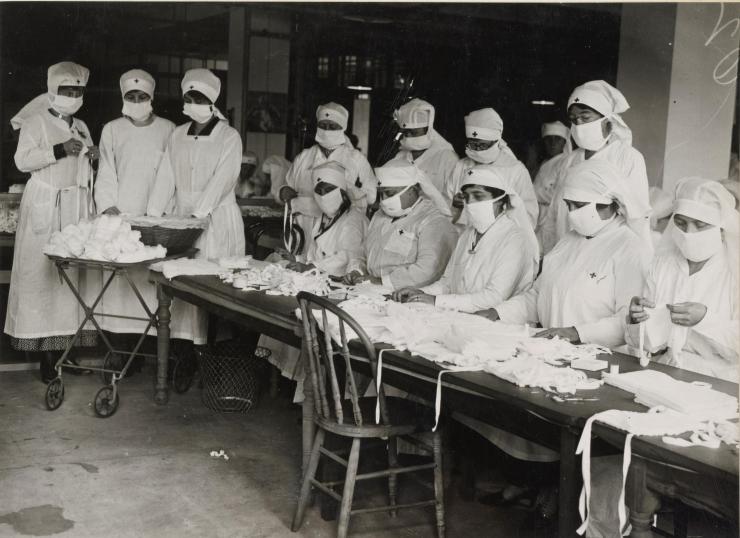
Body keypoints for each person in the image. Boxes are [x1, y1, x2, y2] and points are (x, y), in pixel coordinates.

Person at [471, 160, 650, 519]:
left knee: (571, 442)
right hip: (553, 354)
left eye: (579, 206)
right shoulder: (568, 242)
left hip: (598, 364)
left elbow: (627, 321)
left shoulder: (629, 248)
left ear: (610, 205)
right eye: (569, 206)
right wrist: (499, 313)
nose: (572, 214)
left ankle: (565, 504)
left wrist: (576, 333)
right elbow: (537, 295)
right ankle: (541, 488)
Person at [5, 61, 99, 382]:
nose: (73, 96)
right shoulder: (36, 122)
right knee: (42, 280)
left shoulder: (83, 125)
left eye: (78, 91)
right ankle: (47, 359)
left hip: (74, 208)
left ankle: (67, 355)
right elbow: (22, 160)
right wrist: (58, 149)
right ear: (53, 91)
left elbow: (83, 166)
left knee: (71, 286)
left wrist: (93, 158)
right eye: (67, 91)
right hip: (46, 205)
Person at [147, 68, 245, 343]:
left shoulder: (228, 136)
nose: (193, 104)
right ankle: (185, 348)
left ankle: (211, 348)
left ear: (213, 102)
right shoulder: (177, 134)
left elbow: (224, 179)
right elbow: (166, 175)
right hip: (182, 218)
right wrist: (154, 216)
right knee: (181, 284)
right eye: (189, 98)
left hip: (215, 217)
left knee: (211, 284)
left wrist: (198, 215)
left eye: (199, 99)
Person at [627, 177, 738, 381]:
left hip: (718, 382)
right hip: (663, 373)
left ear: (721, 229)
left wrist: (705, 319)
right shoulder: (663, 266)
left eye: (700, 225)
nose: (689, 233)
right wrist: (637, 321)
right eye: (681, 223)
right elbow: (645, 344)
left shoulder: (735, 271)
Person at [94, 69, 175, 341]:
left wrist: (164, 208)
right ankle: (120, 346)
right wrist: (108, 206)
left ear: (152, 97)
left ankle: (149, 346)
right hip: (121, 213)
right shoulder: (112, 129)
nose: (137, 100)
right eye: (131, 96)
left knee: (150, 283)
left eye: (142, 96)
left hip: (155, 214)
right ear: (123, 97)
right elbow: (105, 169)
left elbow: (171, 173)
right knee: (121, 284)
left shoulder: (168, 129)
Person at [392, 167, 538, 312]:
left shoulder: (516, 239)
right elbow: (447, 283)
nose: (471, 203)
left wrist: (436, 301)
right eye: (467, 197)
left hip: (494, 325)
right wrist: (421, 293)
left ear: (500, 200)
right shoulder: (468, 234)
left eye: (478, 196)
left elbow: (494, 297)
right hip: (459, 316)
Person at [539, 80, 651, 255]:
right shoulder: (569, 161)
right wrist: (548, 253)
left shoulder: (627, 158)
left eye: (585, 117)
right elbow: (555, 212)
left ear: (607, 121)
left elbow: (637, 216)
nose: (579, 125)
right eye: (574, 120)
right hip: (565, 249)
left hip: (604, 254)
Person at [343, 159, 457, 289]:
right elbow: (364, 253)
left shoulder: (434, 221)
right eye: (381, 194)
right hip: (370, 290)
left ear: (413, 190)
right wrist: (356, 270)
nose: (384, 200)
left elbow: (428, 270)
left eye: (390, 193)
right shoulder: (379, 215)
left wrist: (382, 281)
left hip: (408, 296)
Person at [279, 102, 375, 251]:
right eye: (323, 125)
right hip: (303, 225)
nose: (326, 130)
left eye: (332, 126)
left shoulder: (356, 159)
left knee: (331, 265)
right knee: (299, 266)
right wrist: (284, 192)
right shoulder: (304, 157)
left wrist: (346, 193)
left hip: (339, 229)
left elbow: (371, 195)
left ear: (342, 128)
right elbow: (287, 186)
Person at [446, 108, 538, 226]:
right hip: (464, 237)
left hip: (500, 238)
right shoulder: (461, 166)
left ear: (496, 141)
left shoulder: (515, 170)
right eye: (473, 144)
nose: (477, 150)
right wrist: (455, 206)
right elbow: (444, 207)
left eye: (482, 145)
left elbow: (529, 216)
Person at [283, 161, 368, 278]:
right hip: (318, 278)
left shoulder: (354, 219)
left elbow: (348, 256)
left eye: (328, 190)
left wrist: (311, 267)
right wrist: (296, 259)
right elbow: (316, 253)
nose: (323, 196)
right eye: (319, 191)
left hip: (340, 281)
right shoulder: (324, 217)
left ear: (342, 191)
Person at [393, 98, 459, 200]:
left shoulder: (447, 158)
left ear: (428, 130)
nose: (409, 136)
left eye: (414, 132)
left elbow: (454, 196)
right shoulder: (401, 156)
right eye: (406, 133)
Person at [533, 121, 570, 245]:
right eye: (549, 139)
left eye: (557, 139)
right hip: (539, 217)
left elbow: (559, 194)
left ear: (564, 142)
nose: (553, 143)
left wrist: (532, 192)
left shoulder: (566, 163)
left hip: (552, 218)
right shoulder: (545, 163)